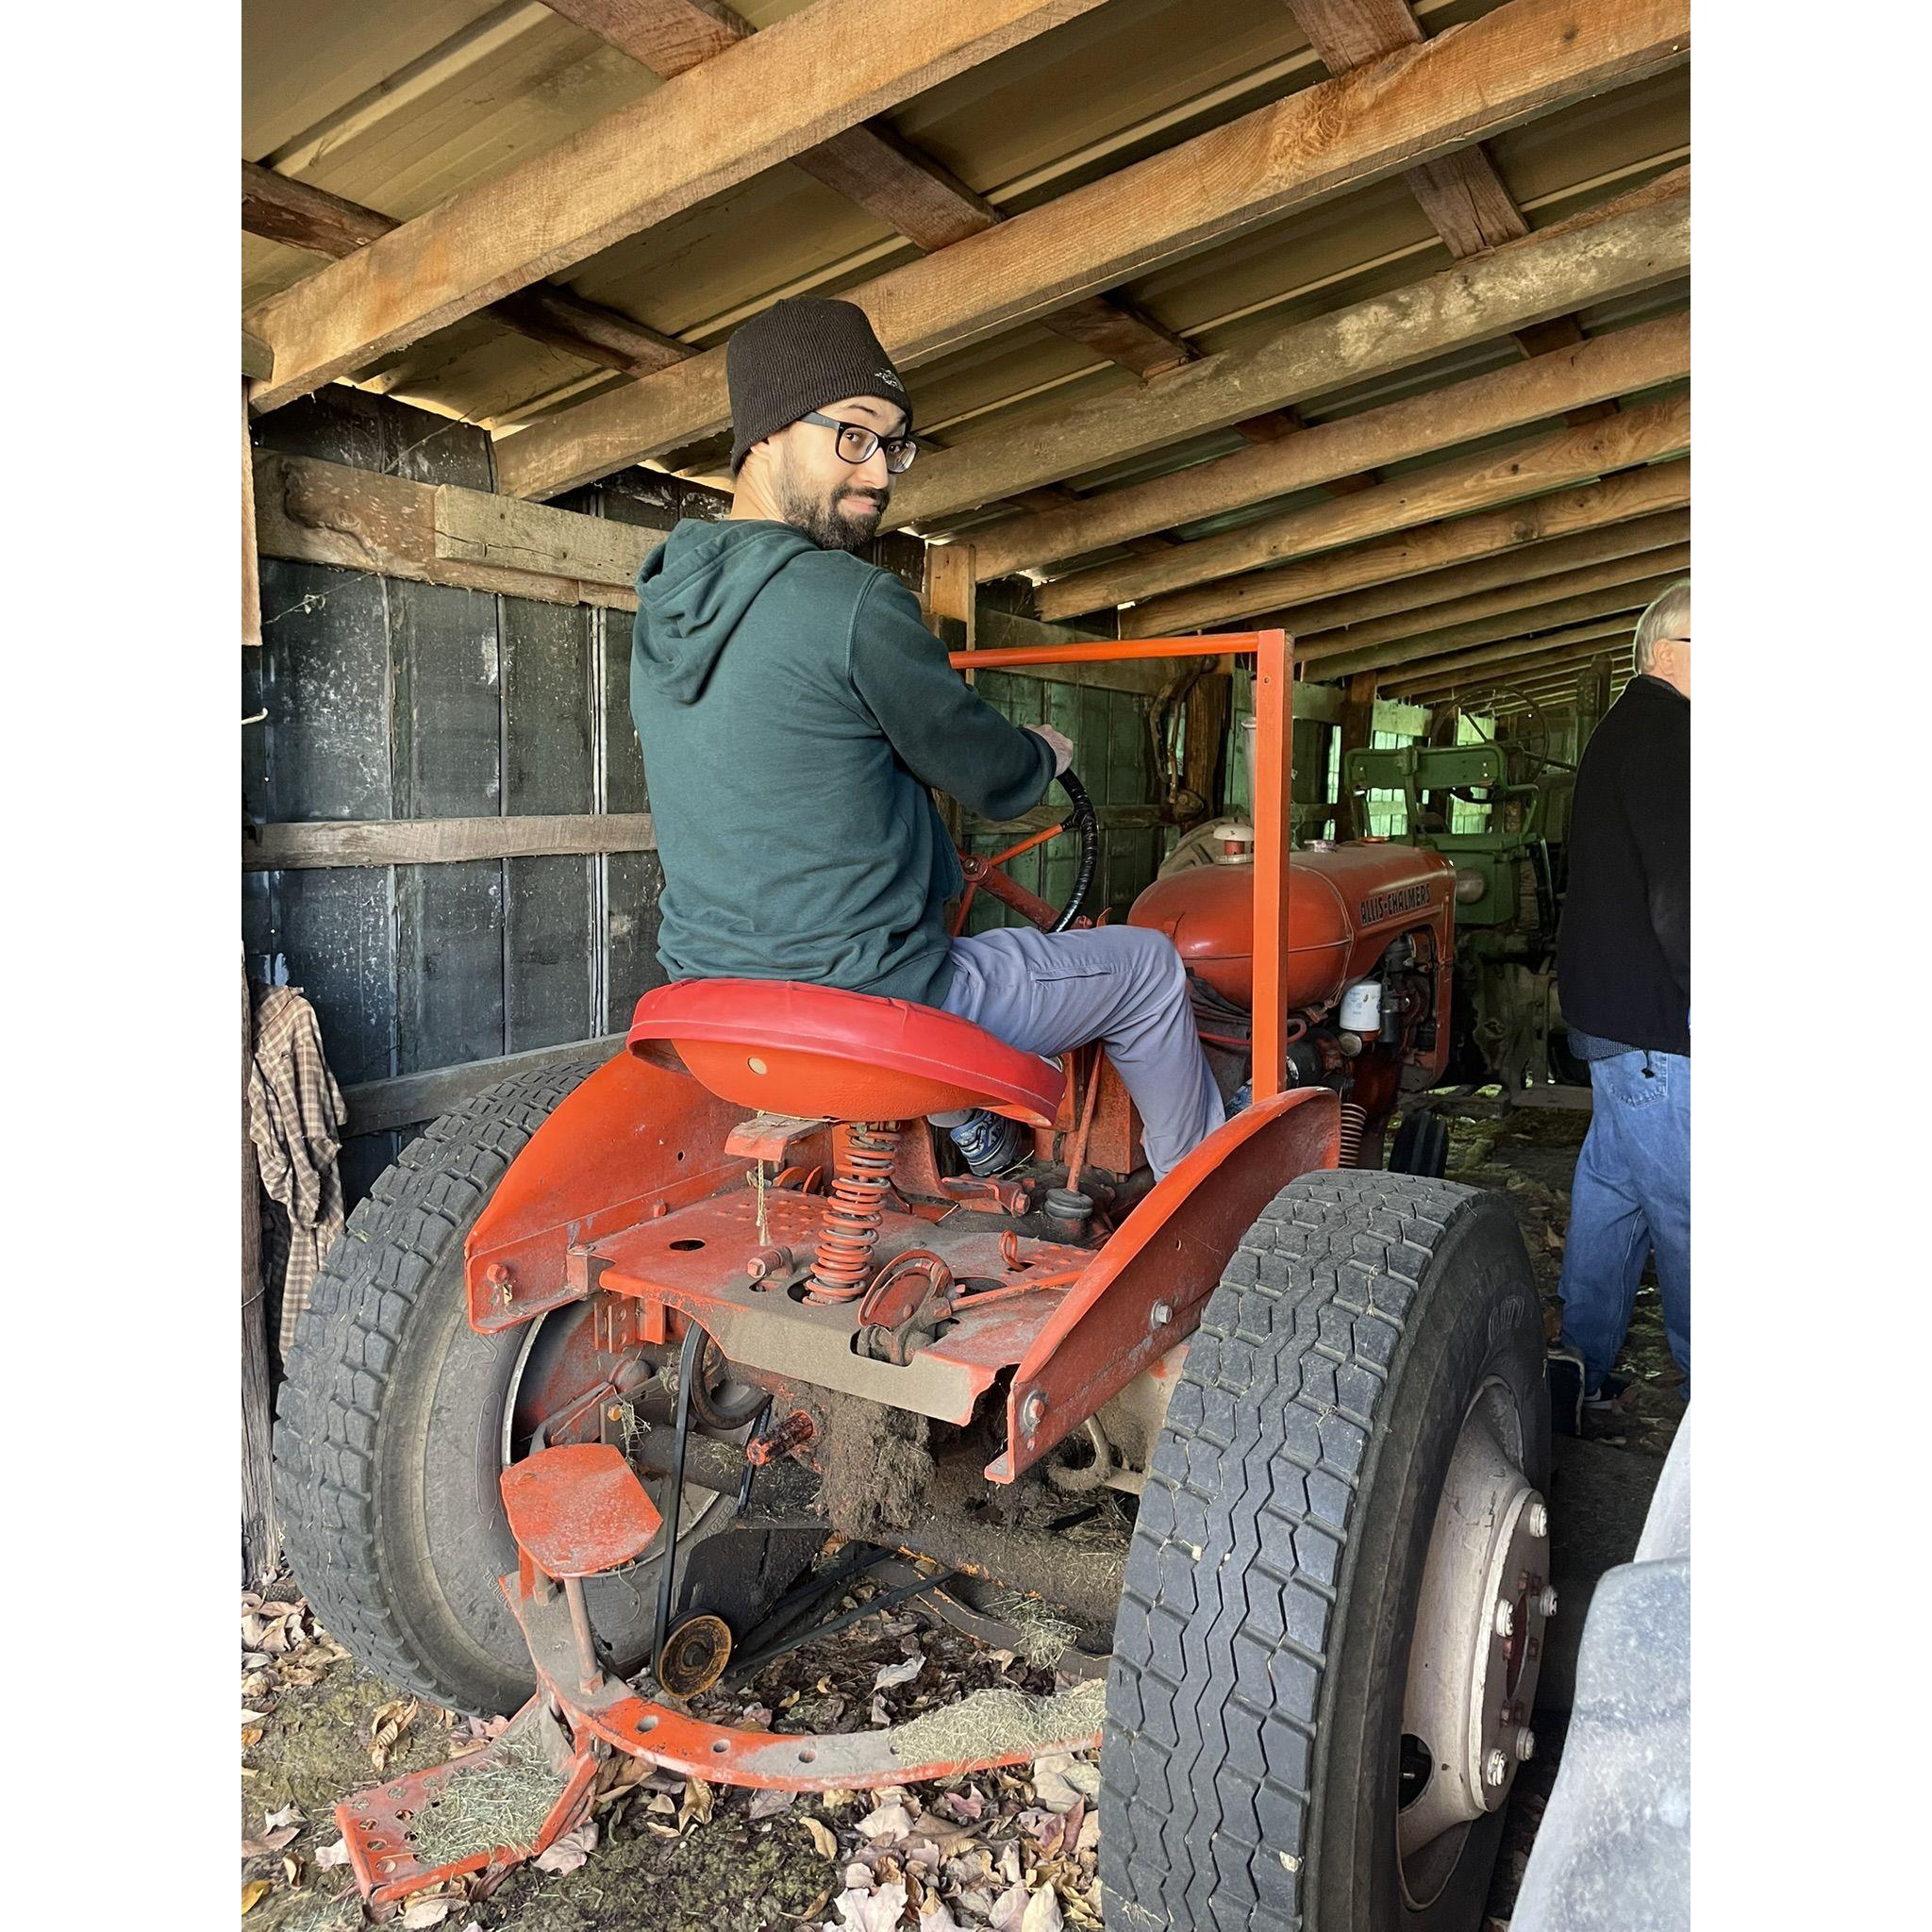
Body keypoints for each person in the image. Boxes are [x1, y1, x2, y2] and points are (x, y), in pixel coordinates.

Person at [628, 295, 1224, 1178]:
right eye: (854, 435)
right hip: (866, 999)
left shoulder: (663, 610)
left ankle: (974, 1133)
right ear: (765, 433)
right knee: (1145, 969)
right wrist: (1043, 754)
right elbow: (986, 771)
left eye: (893, 444)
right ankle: (1207, 1200)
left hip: (710, 999)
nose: (879, 473)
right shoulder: (852, 601)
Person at [1551, 578, 1690, 1410]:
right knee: (1697, 1210)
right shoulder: (1674, 739)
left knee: (1614, 1193)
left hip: (1612, 1017)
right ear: (1672, 651)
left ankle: (1579, 1371)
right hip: (1655, 1026)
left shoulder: (1626, 731)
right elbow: (1685, 893)